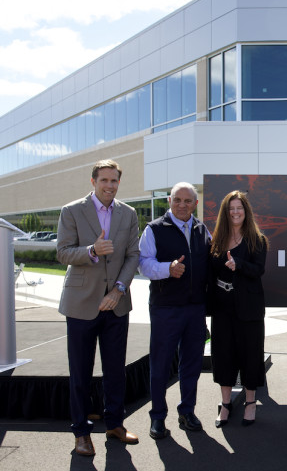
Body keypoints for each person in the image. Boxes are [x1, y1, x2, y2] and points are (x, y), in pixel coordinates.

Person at [56, 159, 140, 456]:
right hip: (81, 304)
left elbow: (133, 255)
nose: (109, 185)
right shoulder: (71, 211)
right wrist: (91, 250)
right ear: (93, 182)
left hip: (116, 304)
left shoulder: (128, 213)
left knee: (115, 370)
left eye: (114, 180)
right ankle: (81, 432)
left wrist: (118, 290)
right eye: (104, 180)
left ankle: (115, 424)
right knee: (80, 372)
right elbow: (63, 252)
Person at [139, 182, 211, 439]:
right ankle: (158, 417)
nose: (182, 205)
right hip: (165, 308)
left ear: (195, 204)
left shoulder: (203, 230)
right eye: (177, 200)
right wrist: (167, 269)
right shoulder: (154, 229)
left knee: (191, 364)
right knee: (160, 365)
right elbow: (143, 264)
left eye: (187, 200)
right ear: (169, 201)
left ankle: (187, 411)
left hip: (195, 309)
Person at [207, 190, 269, 427]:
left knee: (250, 354)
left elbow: (258, 270)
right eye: (231, 208)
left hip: (248, 307)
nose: (235, 212)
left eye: (239, 208)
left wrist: (239, 264)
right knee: (223, 355)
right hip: (222, 307)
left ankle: (250, 402)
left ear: (246, 211)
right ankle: (225, 404)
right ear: (225, 212)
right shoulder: (216, 239)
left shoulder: (257, 239)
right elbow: (210, 273)